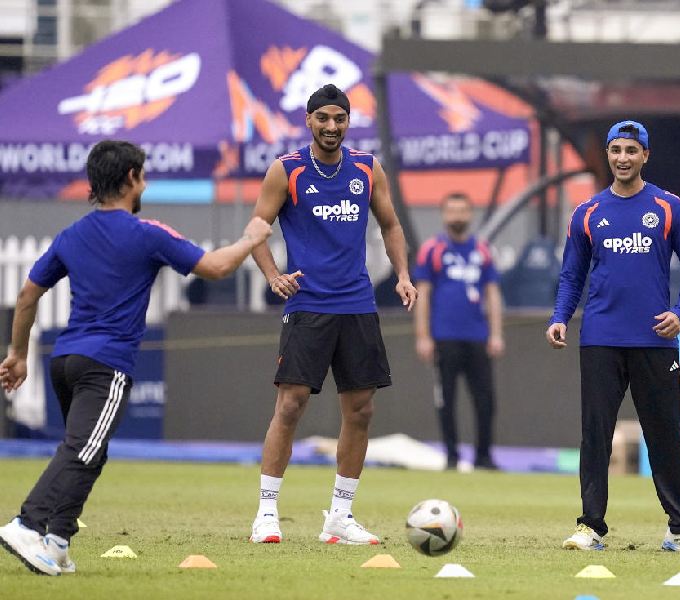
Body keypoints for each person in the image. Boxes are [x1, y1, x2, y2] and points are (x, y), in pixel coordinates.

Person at [0, 140, 272, 576]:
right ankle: (28, 523)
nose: (145, 183)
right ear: (131, 178)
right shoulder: (147, 233)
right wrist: (250, 238)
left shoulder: (71, 234)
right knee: (83, 449)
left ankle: (57, 544)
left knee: (89, 452)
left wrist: (18, 354)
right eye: (143, 175)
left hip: (65, 362)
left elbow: (27, 295)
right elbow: (217, 267)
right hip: (104, 366)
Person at [248, 84, 417, 545]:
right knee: (290, 405)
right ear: (308, 120)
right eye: (322, 118)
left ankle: (339, 517)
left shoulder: (366, 167)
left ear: (348, 122)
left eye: (339, 118)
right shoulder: (286, 170)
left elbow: (391, 224)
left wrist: (402, 275)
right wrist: (273, 275)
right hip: (308, 305)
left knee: (361, 410)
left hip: (358, 304)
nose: (331, 126)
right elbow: (257, 229)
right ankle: (266, 513)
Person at [545, 120, 680, 554]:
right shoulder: (586, 213)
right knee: (595, 435)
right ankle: (590, 527)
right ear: (608, 154)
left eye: (631, 151)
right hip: (600, 338)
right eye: (616, 150)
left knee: (665, 435)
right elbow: (571, 275)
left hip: (655, 339)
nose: (623, 158)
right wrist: (560, 317)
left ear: (645, 156)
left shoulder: (670, 207)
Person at [413, 192, 504, 470]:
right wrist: (423, 336)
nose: (457, 216)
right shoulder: (432, 250)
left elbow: (492, 293)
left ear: (470, 214)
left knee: (486, 400)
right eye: (451, 210)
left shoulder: (483, 250)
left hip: (477, 336)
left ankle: (484, 457)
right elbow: (423, 294)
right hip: (444, 337)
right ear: (443, 215)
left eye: (462, 210)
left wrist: (496, 333)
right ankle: (451, 457)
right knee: (446, 400)